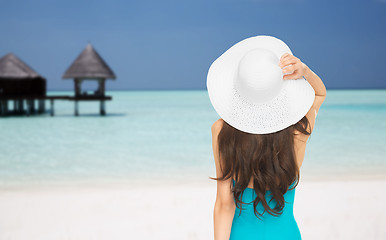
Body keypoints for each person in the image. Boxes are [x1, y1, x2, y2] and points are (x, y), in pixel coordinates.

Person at [206, 36, 326, 240]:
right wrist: (304, 71)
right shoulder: (299, 129)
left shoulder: (221, 131)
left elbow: (224, 205)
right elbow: (319, 95)